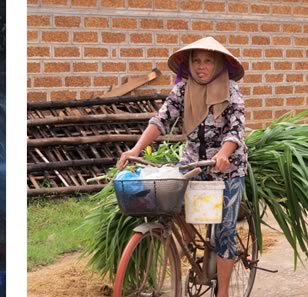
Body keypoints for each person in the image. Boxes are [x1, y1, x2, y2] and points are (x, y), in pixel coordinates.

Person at [116, 36, 247, 297]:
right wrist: (136, 149)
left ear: (219, 64)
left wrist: (224, 153)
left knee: (224, 232)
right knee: (169, 206)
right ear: (188, 64)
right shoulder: (183, 90)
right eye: (196, 61)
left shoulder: (231, 92)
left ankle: (223, 292)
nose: (201, 66)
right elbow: (161, 120)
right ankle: (191, 247)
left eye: (208, 61)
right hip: (193, 164)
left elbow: (236, 130)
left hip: (226, 168)